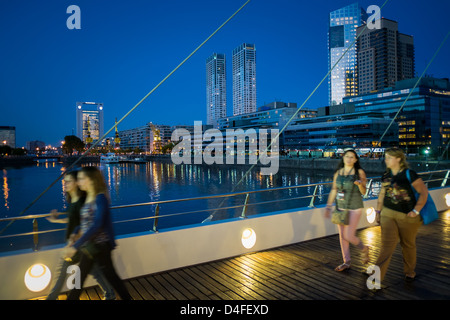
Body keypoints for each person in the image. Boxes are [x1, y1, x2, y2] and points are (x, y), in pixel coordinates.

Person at [45, 170, 116, 300]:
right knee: (93, 272)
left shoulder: (83, 202)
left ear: (76, 183)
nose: (65, 183)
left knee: (62, 275)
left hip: (78, 244)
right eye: (64, 181)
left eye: (69, 181)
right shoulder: (73, 201)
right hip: (76, 244)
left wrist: (75, 242)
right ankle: (109, 293)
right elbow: (72, 219)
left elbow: (88, 224)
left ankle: (52, 298)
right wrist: (55, 219)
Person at [65, 166, 131, 300]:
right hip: (90, 246)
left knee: (111, 278)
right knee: (79, 280)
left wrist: (76, 246)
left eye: (82, 178)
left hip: (100, 246)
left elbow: (97, 224)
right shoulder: (88, 197)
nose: (79, 181)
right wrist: (76, 232)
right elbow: (86, 222)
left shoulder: (101, 198)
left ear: (92, 180)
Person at [374, 148, 427, 282]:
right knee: (386, 246)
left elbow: (423, 192)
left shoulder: (409, 174)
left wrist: (416, 211)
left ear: (398, 159)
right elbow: (382, 194)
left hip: (407, 215)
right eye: (385, 157)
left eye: (389, 157)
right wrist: (378, 212)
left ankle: (409, 271)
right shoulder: (386, 175)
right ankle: (376, 276)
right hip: (388, 213)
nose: (386, 160)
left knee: (407, 244)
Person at [325, 149, 370, 271]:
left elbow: (364, 192)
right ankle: (347, 261)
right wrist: (328, 206)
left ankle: (364, 248)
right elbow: (334, 189)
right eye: (347, 156)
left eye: (352, 157)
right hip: (340, 206)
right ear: (343, 158)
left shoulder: (359, 172)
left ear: (356, 160)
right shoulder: (338, 172)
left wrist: (360, 184)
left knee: (349, 235)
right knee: (343, 236)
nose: (349, 159)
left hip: (355, 206)